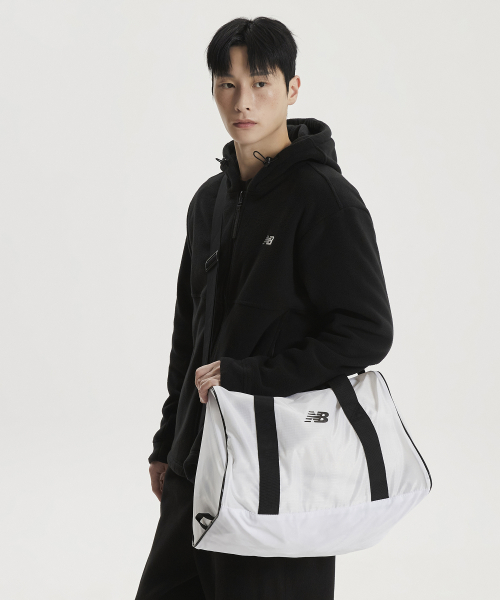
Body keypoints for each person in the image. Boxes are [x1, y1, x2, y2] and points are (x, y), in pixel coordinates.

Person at [134, 16, 393, 600]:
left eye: (260, 82)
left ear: (292, 88)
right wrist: (168, 442)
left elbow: (366, 332)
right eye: (226, 84)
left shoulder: (326, 199)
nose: (242, 101)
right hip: (196, 467)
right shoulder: (209, 201)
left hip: (278, 477)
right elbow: (189, 334)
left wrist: (249, 376)